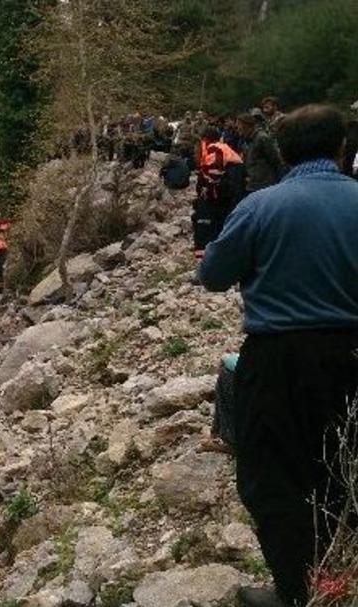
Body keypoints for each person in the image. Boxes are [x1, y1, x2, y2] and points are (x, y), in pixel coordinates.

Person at [198, 105, 358, 607]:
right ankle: (344, 576)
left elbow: (213, 276)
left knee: (274, 478)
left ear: (283, 154)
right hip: (353, 352)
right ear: (341, 147)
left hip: (277, 360)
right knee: (346, 467)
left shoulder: (260, 207)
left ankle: (298, 590)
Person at [193, 126, 245, 259]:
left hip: (225, 192)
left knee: (206, 222)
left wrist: (207, 192)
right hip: (231, 191)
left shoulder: (214, 149)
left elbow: (214, 174)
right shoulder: (224, 148)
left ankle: (207, 257)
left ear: (205, 139)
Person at [236, 113, 285, 194]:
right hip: (253, 185)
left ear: (246, 125)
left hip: (265, 185)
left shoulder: (262, 138)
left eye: (238, 125)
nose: (237, 128)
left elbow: (275, 160)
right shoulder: (245, 141)